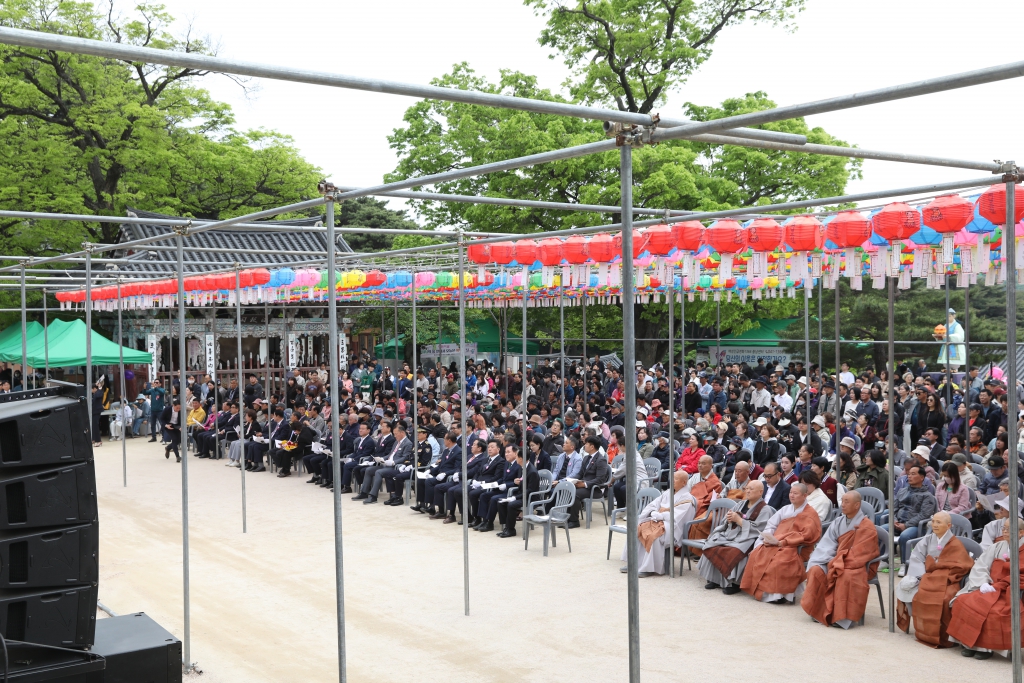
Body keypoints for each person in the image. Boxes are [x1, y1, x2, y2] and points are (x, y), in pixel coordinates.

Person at [895, 511, 975, 647]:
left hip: (947, 579)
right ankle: (924, 631)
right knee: (912, 590)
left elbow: (963, 565)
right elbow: (916, 557)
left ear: (948, 525)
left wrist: (940, 565)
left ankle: (945, 635)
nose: (935, 525)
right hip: (927, 576)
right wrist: (920, 575)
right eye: (933, 522)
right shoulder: (927, 539)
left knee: (945, 598)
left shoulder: (955, 543)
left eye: (939, 522)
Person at [948, 518, 1024, 659]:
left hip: (1007, 590)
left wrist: (1001, 585)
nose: (1005, 531)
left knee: (992, 611)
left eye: (1009, 529)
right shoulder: (997, 546)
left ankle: (985, 649)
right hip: (987, 586)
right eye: (1004, 528)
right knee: (963, 601)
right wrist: (983, 583)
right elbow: (981, 565)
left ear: (1021, 533)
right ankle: (969, 644)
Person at [801, 491, 879, 628]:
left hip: (857, 565)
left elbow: (861, 553)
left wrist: (839, 561)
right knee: (816, 569)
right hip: (835, 560)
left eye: (847, 502)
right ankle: (818, 611)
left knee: (846, 575)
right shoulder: (838, 521)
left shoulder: (866, 526)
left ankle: (842, 618)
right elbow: (827, 544)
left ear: (857, 505)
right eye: (842, 501)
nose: (842, 505)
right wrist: (832, 559)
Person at [740, 482, 822, 603]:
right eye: (790, 492)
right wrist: (769, 537)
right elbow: (771, 525)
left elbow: (806, 535)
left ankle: (780, 596)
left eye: (795, 493)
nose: (792, 495)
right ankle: (764, 593)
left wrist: (783, 542)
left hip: (795, 546)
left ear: (805, 496)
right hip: (776, 542)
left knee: (779, 561)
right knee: (756, 554)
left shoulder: (810, 514)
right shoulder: (785, 509)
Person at [620, 470, 696, 577]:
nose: (672, 481)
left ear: (684, 483)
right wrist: (654, 512)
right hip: (658, 519)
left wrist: (660, 515)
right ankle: (634, 563)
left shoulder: (688, 498)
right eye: (672, 478)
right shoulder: (668, 492)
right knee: (638, 529)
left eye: (676, 479)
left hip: (673, 527)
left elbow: (678, 517)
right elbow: (653, 504)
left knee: (653, 535)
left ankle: (649, 568)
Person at [699, 479, 771, 593]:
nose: (747, 491)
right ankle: (715, 579)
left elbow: (760, 530)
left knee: (735, 550)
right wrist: (729, 519)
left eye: (751, 489)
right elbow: (726, 520)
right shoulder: (741, 504)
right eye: (746, 488)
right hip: (731, 533)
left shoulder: (765, 509)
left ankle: (733, 583)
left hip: (748, 538)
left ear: (760, 492)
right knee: (712, 543)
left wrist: (739, 520)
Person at [890, 464, 938, 568]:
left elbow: (924, 515)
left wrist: (906, 525)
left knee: (905, 536)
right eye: (909, 474)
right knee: (880, 530)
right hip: (898, 522)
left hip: (915, 526)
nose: (909, 476)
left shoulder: (927, 496)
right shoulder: (902, 491)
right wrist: (893, 520)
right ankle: (884, 560)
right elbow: (894, 508)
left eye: (913, 474)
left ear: (922, 478)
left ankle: (904, 563)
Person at [356, 422, 414, 504]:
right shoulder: (396, 442)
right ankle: (364, 492)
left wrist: (393, 462)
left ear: (402, 433)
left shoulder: (408, 443)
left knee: (378, 472)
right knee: (368, 470)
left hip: (395, 466)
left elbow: (405, 457)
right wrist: (381, 458)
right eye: (394, 434)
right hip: (386, 463)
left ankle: (373, 496)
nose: (395, 436)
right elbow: (390, 454)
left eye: (396, 434)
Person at [412, 432, 462, 515]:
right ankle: (422, 504)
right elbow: (441, 465)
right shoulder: (446, 450)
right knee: (421, 479)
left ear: (449, 440)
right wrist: (430, 470)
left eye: (445, 439)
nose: (444, 441)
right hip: (439, 473)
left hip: (448, 476)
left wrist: (445, 474)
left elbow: (457, 468)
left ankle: (432, 507)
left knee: (429, 481)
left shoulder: (458, 451)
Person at [685, 455, 724, 555]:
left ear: (711, 466)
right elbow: (686, 491)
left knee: (698, 518)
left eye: (703, 463)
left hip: (705, 507)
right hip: (691, 503)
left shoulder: (715, 482)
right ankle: (680, 546)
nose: (700, 465)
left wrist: (694, 501)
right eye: (699, 463)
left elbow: (709, 500)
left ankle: (693, 550)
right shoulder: (695, 477)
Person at [496, 448, 539, 538]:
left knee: (511, 505)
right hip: (521, 494)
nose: (515, 458)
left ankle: (511, 529)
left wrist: (515, 497)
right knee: (501, 502)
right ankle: (506, 527)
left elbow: (530, 490)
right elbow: (521, 483)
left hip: (529, 497)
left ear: (521, 458)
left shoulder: (532, 472)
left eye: (517, 456)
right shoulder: (522, 468)